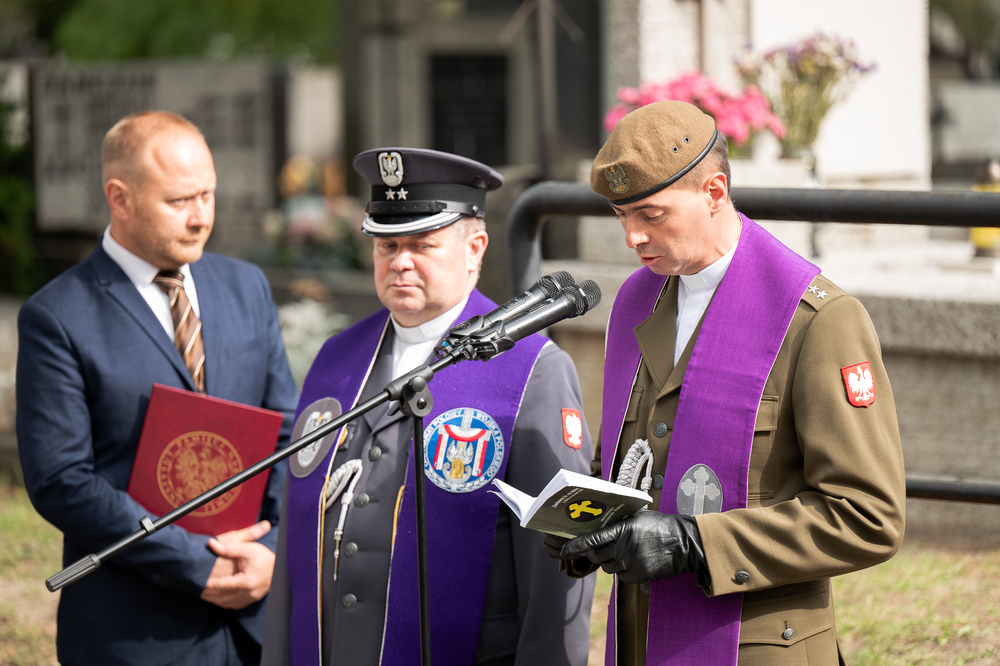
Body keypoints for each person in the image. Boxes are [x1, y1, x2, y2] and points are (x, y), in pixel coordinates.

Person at [543, 100, 906, 665]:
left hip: (753, 646)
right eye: (620, 216)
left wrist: (696, 544)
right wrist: (581, 522)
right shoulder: (636, 301)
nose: (632, 237)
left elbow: (867, 516)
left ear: (714, 193)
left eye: (652, 214)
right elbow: (628, 460)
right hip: (641, 639)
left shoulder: (816, 319)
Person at [262, 147, 595, 666]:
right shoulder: (338, 359)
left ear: (475, 248)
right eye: (386, 244)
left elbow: (557, 567)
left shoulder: (532, 370)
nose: (400, 261)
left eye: (422, 243)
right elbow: (293, 554)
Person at [16, 110, 299, 666]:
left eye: (208, 196)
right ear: (119, 199)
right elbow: (61, 481)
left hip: (258, 625)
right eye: (179, 201)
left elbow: (290, 433)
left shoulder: (246, 287)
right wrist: (197, 562)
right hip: (135, 631)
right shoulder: (57, 316)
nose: (200, 218)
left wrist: (271, 551)